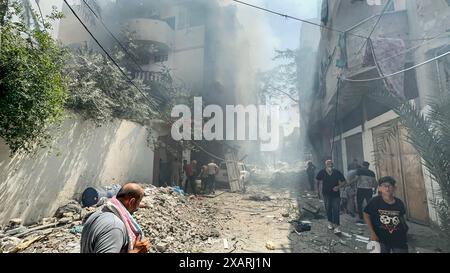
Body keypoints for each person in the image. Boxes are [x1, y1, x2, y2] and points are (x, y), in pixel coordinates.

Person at [81, 183, 150, 253]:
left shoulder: (99, 213)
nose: (138, 207)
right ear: (131, 202)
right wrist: (136, 251)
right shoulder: (115, 226)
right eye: (139, 202)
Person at [364, 176, 409, 253]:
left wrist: (405, 231)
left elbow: (402, 219)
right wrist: (372, 233)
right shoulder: (375, 201)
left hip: (398, 238)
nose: (387, 188)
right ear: (380, 188)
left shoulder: (399, 203)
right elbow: (366, 214)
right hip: (380, 238)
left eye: (390, 186)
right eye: (385, 186)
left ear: (394, 188)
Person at [316, 160, 346, 234]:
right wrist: (318, 191)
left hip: (336, 194)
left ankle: (337, 227)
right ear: (325, 165)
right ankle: (330, 222)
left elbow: (344, 182)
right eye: (328, 164)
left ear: (333, 165)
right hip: (326, 194)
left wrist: (338, 187)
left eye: (331, 164)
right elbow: (317, 181)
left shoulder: (337, 172)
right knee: (328, 208)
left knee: (336, 209)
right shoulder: (322, 172)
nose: (330, 165)